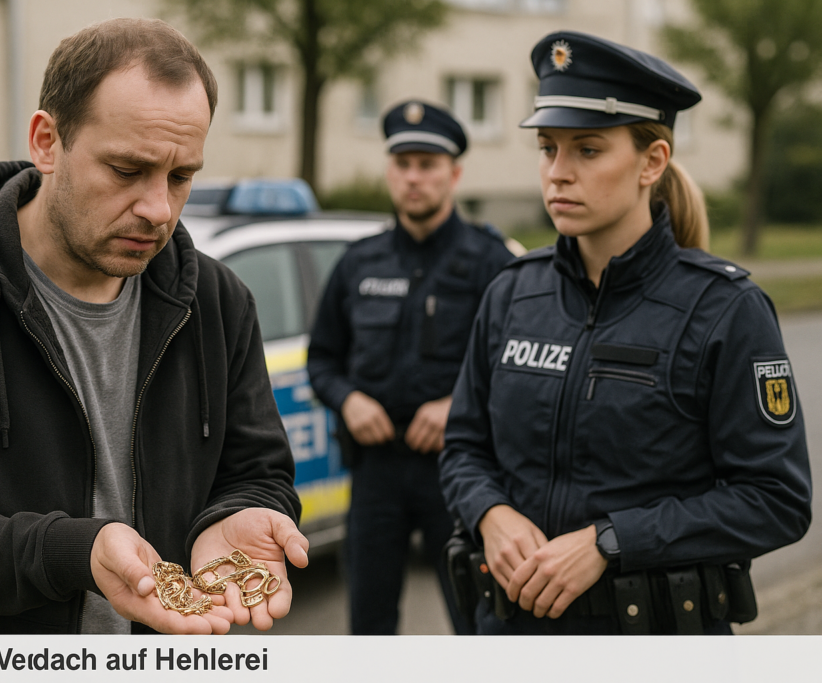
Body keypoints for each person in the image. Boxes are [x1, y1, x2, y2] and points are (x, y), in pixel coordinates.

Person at [0, 18, 307, 635]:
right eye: (127, 169)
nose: (158, 208)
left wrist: (240, 513)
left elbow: (257, 471)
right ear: (47, 141)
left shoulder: (218, 301)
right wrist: (75, 553)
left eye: (181, 176)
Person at [439, 30, 812, 635]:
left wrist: (611, 540)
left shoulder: (725, 308)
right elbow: (463, 447)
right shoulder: (513, 292)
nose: (558, 173)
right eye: (547, 148)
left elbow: (775, 499)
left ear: (652, 162)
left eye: (587, 150)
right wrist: (490, 512)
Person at [307, 100, 515, 635]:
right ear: (389, 171)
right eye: (404, 164)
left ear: (455, 173)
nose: (414, 177)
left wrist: (455, 409)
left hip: (460, 475)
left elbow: (517, 369)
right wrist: (349, 399)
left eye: (428, 164)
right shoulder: (359, 261)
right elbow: (323, 359)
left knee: (480, 622)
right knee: (370, 627)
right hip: (375, 473)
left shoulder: (492, 264)